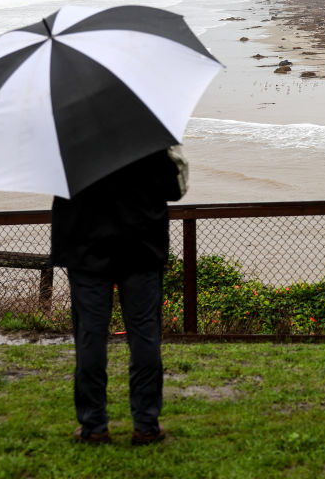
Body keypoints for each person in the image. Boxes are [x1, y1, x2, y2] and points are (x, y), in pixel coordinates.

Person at [52, 146, 187, 446]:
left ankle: (94, 426)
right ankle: (146, 425)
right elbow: (175, 190)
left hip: (86, 249)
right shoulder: (148, 135)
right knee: (145, 335)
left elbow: (54, 184)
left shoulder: (70, 139)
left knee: (90, 334)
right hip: (141, 246)